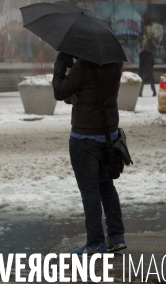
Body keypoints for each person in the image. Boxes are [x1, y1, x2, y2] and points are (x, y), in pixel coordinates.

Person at [53, 51, 126, 255]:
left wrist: (61, 63)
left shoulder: (83, 67)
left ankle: (95, 243)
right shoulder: (114, 64)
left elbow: (59, 92)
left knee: (90, 190)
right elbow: (92, 92)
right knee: (106, 186)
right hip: (109, 135)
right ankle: (116, 236)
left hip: (85, 138)